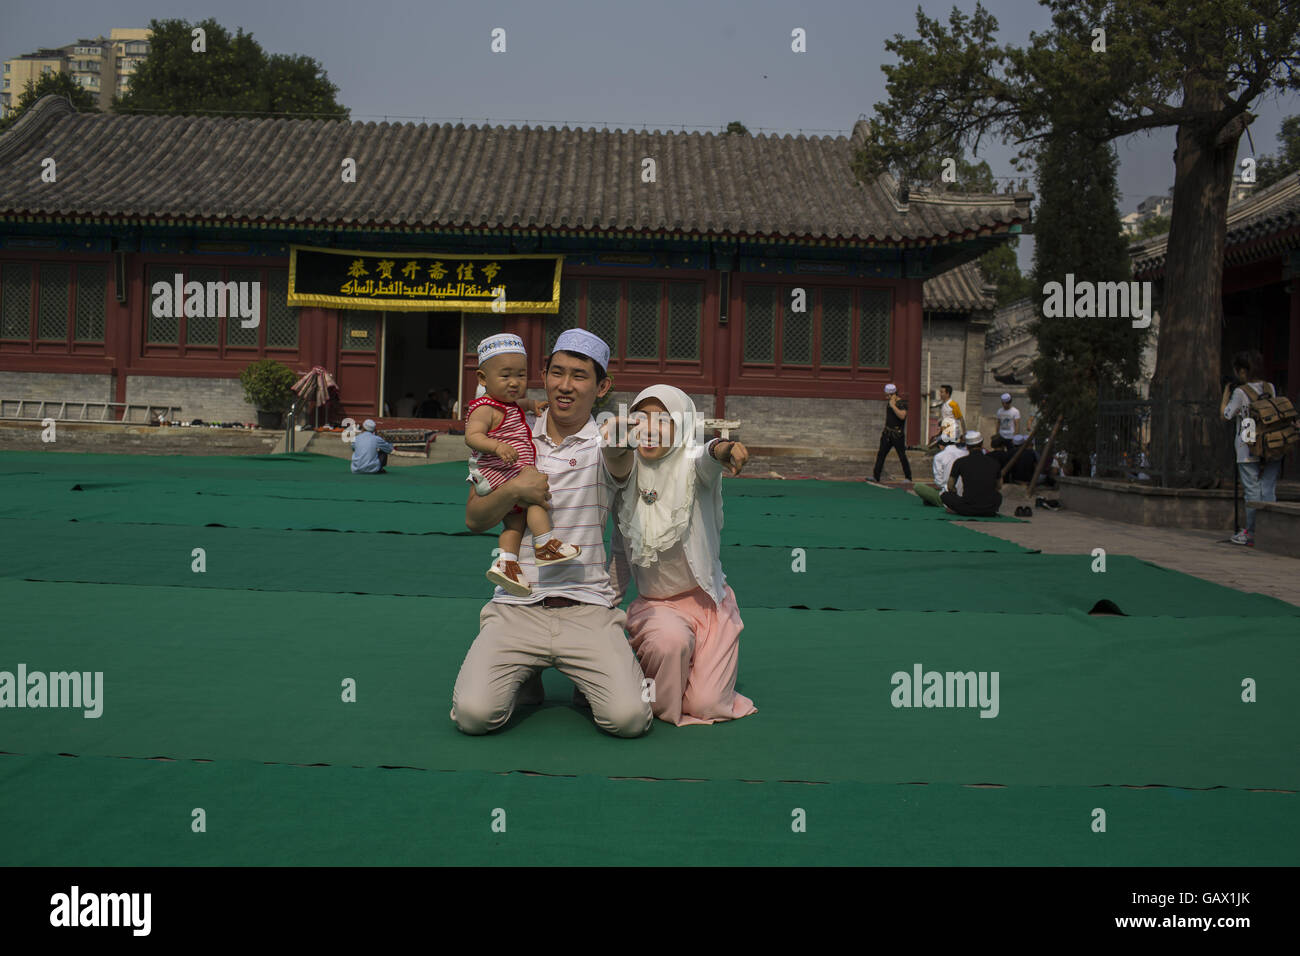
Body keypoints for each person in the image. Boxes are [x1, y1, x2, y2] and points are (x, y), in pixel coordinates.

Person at [450, 328, 653, 738]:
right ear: (542, 374)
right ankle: (528, 674)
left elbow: (619, 458)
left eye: (579, 376)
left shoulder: (605, 441)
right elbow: (474, 519)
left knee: (628, 720)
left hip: (587, 606)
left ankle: (581, 672)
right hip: (517, 606)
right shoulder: (507, 432)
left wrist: (624, 437)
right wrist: (514, 490)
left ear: (602, 386)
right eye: (556, 372)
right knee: (473, 716)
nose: (565, 385)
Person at [600, 385, 757, 727]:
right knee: (670, 645)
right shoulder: (626, 472)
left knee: (709, 704)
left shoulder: (693, 464)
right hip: (659, 607)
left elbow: (709, 454)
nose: (651, 428)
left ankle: (682, 671)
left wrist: (724, 448)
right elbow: (619, 549)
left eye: (664, 420)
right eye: (642, 418)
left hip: (708, 605)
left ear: (684, 425)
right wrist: (605, 608)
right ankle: (655, 664)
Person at [465, 333, 582, 595]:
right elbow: (471, 436)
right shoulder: (484, 408)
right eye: (505, 376)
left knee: (514, 526)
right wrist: (497, 446)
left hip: (508, 472)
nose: (515, 383)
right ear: (483, 379)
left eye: (520, 375)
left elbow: (523, 403)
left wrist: (534, 404)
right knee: (536, 499)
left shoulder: (509, 404)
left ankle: (507, 563)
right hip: (501, 472)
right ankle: (544, 545)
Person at [1220, 349, 1281, 547]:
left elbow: (1226, 415)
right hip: (1271, 445)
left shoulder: (1240, 392)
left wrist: (1226, 392)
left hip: (1247, 443)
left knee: (1252, 491)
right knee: (1268, 489)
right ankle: (1269, 532)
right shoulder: (1270, 388)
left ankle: (1251, 532)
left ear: (1243, 371)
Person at [915, 430, 1002, 515]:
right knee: (998, 496)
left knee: (946, 496)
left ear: (967, 446)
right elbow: (999, 486)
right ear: (982, 444)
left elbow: (950, 486)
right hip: (989, 508)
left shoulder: (960, 462)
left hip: (968, 508)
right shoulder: (994, 462)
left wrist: (955, 497)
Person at [870, 383, 913, 483]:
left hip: (897, 434)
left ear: (891, 394)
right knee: (881, 454)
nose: (885, 396)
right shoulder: (890, 401)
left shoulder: (901, 403)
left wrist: (893, 406)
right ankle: (876, 476)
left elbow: (902, 416)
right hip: (887, 433)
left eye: (886, 394)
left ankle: (908, 477)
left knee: (901, 455)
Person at [917, 431, 968, 506]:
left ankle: (938, 501)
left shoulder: (939, 456)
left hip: (949, 497)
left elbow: (939, 483)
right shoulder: (965, 453)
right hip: (966, 496)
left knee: (918, 486)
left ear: (941, 446)